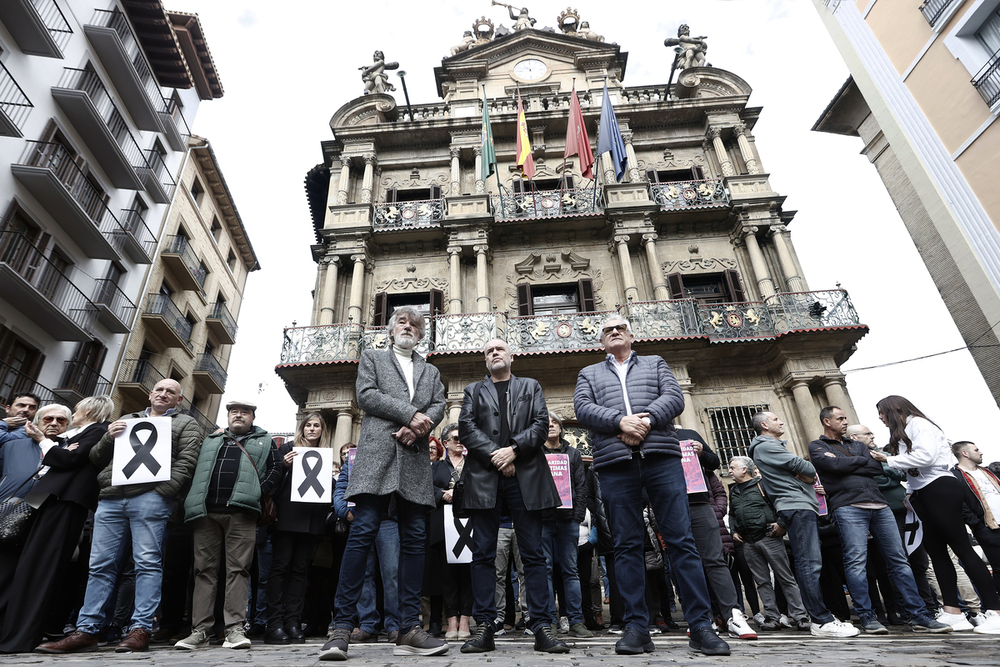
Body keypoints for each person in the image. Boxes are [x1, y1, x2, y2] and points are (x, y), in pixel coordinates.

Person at [574, 315, 730, 656]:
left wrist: (644, 420)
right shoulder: (589, 374)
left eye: (620, 328)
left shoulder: (656, 363)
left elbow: (674, 398)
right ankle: (636, 627)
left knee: (681, 542)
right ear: (601, 341)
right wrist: (619, 422)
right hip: (616, 464)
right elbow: (583, 409)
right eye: (607, 330)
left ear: (631, 335)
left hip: (661, 459)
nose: (614, 332)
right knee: (627, 546)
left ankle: (700, 626)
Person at [36, 379, 201, 654]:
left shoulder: (186, 424)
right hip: (112, 498)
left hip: (151, 498)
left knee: (147, 563)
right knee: (100, 565)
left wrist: (163, 491)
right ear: (150, 395)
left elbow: (187, 461)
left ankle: (140, 629)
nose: (163, 394)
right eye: (159, 390)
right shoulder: (126, 419)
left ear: (178, 400)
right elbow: (98, 457)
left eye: (170, 392)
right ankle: (88, 631)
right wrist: (108, 436)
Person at [320, 306, 447, 660]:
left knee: (415, 541)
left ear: (421, 335)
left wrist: (419, 427)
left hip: (415, 459)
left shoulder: (431, 370)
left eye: (415, 324)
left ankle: (408, 627)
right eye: (402, 322)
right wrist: (410, 415)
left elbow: (439, 405)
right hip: (377, 455)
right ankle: (342, 628)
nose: (408, 326)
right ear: (391, 331)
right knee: (361, 536)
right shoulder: (372, 357)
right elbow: (367, 395)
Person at [457, 339, 567, 654]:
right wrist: (497, 455)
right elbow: (466, 427)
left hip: (527, 476)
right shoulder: (472, 391)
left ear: (511, 356)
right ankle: (484, 628)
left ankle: (542, 626)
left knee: (533, 555)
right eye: (489, 350)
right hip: (485, 477)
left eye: (499, 349)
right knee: (483, 556)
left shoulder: (531, 386)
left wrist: (514, 450)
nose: (494, 353)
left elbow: (540, 424)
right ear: (485, 360)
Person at [808, 407, 950, 634]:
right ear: (827, 421)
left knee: (899, 561)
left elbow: (877, 469)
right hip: (848, 507)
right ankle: (867, 617)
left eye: (846, 418)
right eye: (840, 418)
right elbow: (833, 466)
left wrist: (849, 462)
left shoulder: (859, 445)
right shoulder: (817, 446)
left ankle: (919, 615)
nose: (845, 422)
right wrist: (859, 462)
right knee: (856, 563)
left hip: (880, 505)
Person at [870, 395, 1000, 633]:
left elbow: (926, 458)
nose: (880, 417)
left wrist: (888, 459)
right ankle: (953, 612)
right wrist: (909, 492)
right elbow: (913, 471)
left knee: (961, 548)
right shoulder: (902, 433)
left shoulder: (919, 424)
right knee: (937, 553)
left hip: (940, 487)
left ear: (894, 409)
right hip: (921, 492)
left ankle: (995, 610)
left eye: (882, 412)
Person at [0, 397, 111, 653]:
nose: (67, 417)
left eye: (67, 416)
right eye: (48, 419)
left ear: (89, 411)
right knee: (24, 570)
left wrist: (50, 445)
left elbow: (68, 460)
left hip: (61, 502)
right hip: (30, 508)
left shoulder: (94, 431)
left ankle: (18, 637)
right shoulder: (17, 442)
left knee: (39, 571)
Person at [174, 399, 279, 650]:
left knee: (238, 570)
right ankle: (199, 631)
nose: (238, 416)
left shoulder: (266, 441)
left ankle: (234, 630)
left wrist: (256, 492)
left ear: (253, 417)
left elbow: (276, 470)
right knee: (203, 571)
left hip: (242, 514)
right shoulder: (211, 439)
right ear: (228, 416)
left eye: (245, 412)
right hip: (206, 512)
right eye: (234, 412)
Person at [748, 410, 859, 638]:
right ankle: (820, 619)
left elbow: (805, 472)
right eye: (776, 419)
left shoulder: (772, 446)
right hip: (796, 504)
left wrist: (802, 473)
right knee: (809, 563)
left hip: (799, 505)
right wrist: (803, 473)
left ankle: (822, 617)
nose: (781, 421)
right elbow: (808, 468)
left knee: (810, 562)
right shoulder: (766, 446)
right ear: (764, 425)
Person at [847, 423, 939, 616]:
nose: (872, 436)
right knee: (897, 561)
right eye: (867, 433)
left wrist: (888, 468)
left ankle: (930, 606)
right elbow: (876, 478)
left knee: (919, 560)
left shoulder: (884, 454)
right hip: (884, 512)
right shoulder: (854, 457)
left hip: (908, 512)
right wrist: (889, 471)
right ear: (854, 437)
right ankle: (905, 609)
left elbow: (899, 473)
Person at [675, 427, 756, 640]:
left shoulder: (689, 433)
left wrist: (702, 452)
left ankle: (733, 614)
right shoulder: (646, 435)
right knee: (685, 563)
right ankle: (702, 617)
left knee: (715, 561)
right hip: (670, 505)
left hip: (699, 502)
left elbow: (713, 463)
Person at [265, 413, 333, 644]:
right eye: (308, 425)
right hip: (286, 518)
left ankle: (293, 622)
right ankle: (274, 623)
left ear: (322, 430)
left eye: (317, 426)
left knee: (300, 572)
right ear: (302, 429)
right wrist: (283, 466)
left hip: (312, 520)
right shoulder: (287, 451)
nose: (312, 429)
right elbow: (270, 481)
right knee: (280, 569)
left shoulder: (325, 455)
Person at [727, 456, 809, 631]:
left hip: (769, 537)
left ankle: (800, 616)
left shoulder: (763, 485)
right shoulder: (734, 490)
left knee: (785, 577)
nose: (729, 471)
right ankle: (772, 616)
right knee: (762, 581)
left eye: (733, 467)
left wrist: (781, 524)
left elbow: (783, 503)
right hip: (748, 541)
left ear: (744, 469)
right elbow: (732, 514)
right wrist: (733, 531)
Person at [540, 412, 593, 639]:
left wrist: (577, 515)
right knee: (545, 570)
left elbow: (581, 486)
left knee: (570, 571)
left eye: (554, 423)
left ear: (561, 429)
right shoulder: (535, 454)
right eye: (547, 424)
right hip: (542, 520)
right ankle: (549, 621)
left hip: (568, 519)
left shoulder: (573, 453)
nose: (551, 426)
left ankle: (575, 621)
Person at [431, 423, 473, 640]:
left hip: (469, 523)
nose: (460, 442)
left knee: (467, 573)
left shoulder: (473, 465)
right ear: (445, 443)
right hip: (443, 524)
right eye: (455, 438)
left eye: (462, 438)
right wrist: (441, 494)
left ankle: (465, 618)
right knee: (447, 575)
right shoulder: (436, 467)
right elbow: (426, 488)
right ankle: (452, 620)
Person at [952, 441, 1000, 597]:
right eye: (976, 450)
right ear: (965, 453)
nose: (980, 452)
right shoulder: (956, 476)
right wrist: (978, 526)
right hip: (989, 528)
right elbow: (960, 505)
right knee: (998, 567)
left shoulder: (987, 472)